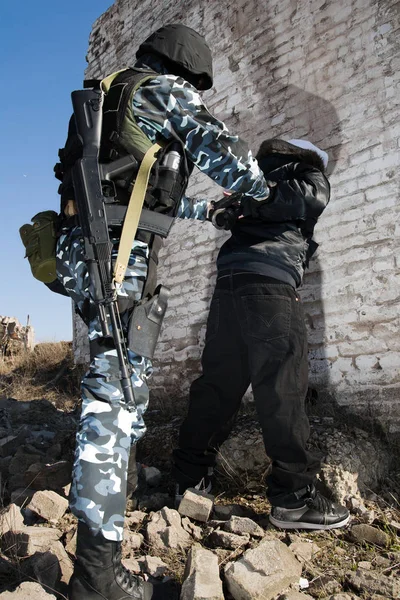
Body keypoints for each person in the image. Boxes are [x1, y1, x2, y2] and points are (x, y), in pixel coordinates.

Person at [55, 24, 270, 600]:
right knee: (114, 400)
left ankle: (112, 495)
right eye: (194, 81)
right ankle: (96, 576)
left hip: (86, 249)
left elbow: (138, 182)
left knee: (119, 382)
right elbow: (232, 164)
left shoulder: (111, 91)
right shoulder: (167, 91)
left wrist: (207, 212)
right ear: (182, 69)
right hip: (118, 254)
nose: (193, 89)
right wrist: (263, 190)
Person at [173, 138, 350, 531]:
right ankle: (293, 500)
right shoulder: (305, 173)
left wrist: (243, 201)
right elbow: (311, 199)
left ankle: (188, 479)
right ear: (308, 155)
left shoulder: (246, 180)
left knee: (218, 384)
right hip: (269, 284)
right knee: (282, 387)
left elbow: (228, 214)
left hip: (230, 284)